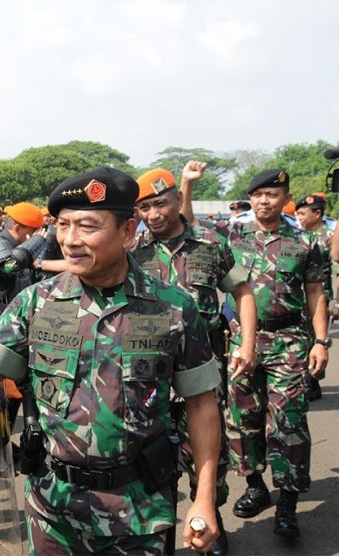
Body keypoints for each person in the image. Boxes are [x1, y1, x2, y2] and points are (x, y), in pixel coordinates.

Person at [0, 167, 223, 554]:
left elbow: (202, 404)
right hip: (53, 511)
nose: (70, 240)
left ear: (128, 231)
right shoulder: (36, 303)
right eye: (62, 226)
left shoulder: (173, 307)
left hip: (139, 512)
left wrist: (205, 497)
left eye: (87, 226)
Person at [133, 164, 258, 555]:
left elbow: (242, 290)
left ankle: (210, 520)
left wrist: (248, 344)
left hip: (202, 371)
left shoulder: (210, 242)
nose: (153, 214)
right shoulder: (132, 249)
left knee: (208, 458)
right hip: (147, 372)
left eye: (160, 204)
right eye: (144, 208)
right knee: (149, 456)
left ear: (178, 200)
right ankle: (162, 532)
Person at [212, 169, 327, 538]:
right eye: (258, 194)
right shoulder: (233, 237)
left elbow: (315, 293)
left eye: (272, 194)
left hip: (289, 339)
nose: (265, 201)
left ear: (285, 198)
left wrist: (322, 341)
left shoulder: (306, 242)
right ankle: (256, 486)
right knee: (242, 418)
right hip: (241, 341)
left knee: (289, 421)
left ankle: (288, 504)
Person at [294, 193, 334, 400]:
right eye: (297, 213)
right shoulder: (298, 236)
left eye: (303, 213)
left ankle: (314, 380)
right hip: (301, 295)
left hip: (320, 294)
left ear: (317, 214)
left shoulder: (328, 236)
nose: (299, 217)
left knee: (314, 337)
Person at [0, 202, 46, 314]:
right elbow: (10, 266)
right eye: (34, 232)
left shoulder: (20, 247)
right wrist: (36, 242)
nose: (36, 235)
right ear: (17, 228)